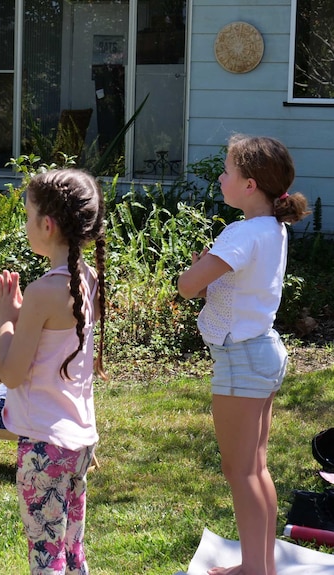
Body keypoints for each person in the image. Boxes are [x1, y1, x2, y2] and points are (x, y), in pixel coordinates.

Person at [178, 134, 309, 575]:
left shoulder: (241, 232)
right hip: (264, 354)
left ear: (250, 185)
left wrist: (195, 268)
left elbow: (188, 285)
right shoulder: (273, 227)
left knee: (242, 472)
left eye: (228, 170)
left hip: (242, 361)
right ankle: (260, 565)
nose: (221, 176)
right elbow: (231, 288)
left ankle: (255, 569)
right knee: (255, 469)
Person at [0, 169, 107, 575]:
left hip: (44, 445)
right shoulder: (87, 280)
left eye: (27, 215)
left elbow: (12, 373)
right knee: (71, 548)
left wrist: (6, 319)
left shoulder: (42, 292)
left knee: (45, 554)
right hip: (78, 442)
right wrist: (26, 318)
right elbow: (54, 341)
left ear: (47, 224)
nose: (25, 224)